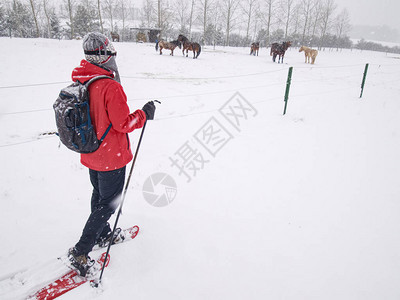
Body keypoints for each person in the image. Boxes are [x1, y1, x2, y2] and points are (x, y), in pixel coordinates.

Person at [67, 32, 156, 276]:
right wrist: (144, 114)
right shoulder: (109, 86)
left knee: (99, 196)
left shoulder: (82, 80)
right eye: (110, 51)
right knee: (108, 203)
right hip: (110, 157)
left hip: (91, 153)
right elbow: (123, 123)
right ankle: (81, 251)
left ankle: (103, 233)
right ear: (104, 56)